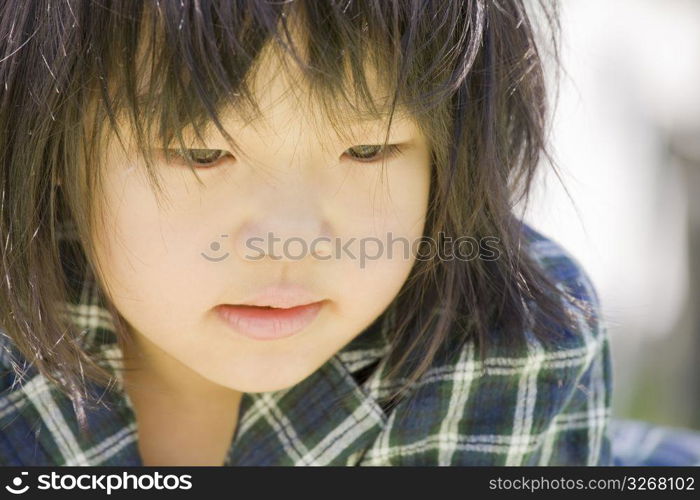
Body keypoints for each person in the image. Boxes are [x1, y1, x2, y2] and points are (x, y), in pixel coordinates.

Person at [0, 0, 611, 466]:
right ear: (50, 151)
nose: (291, 240)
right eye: (201, 152)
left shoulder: (511, 343)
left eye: (369, 148)